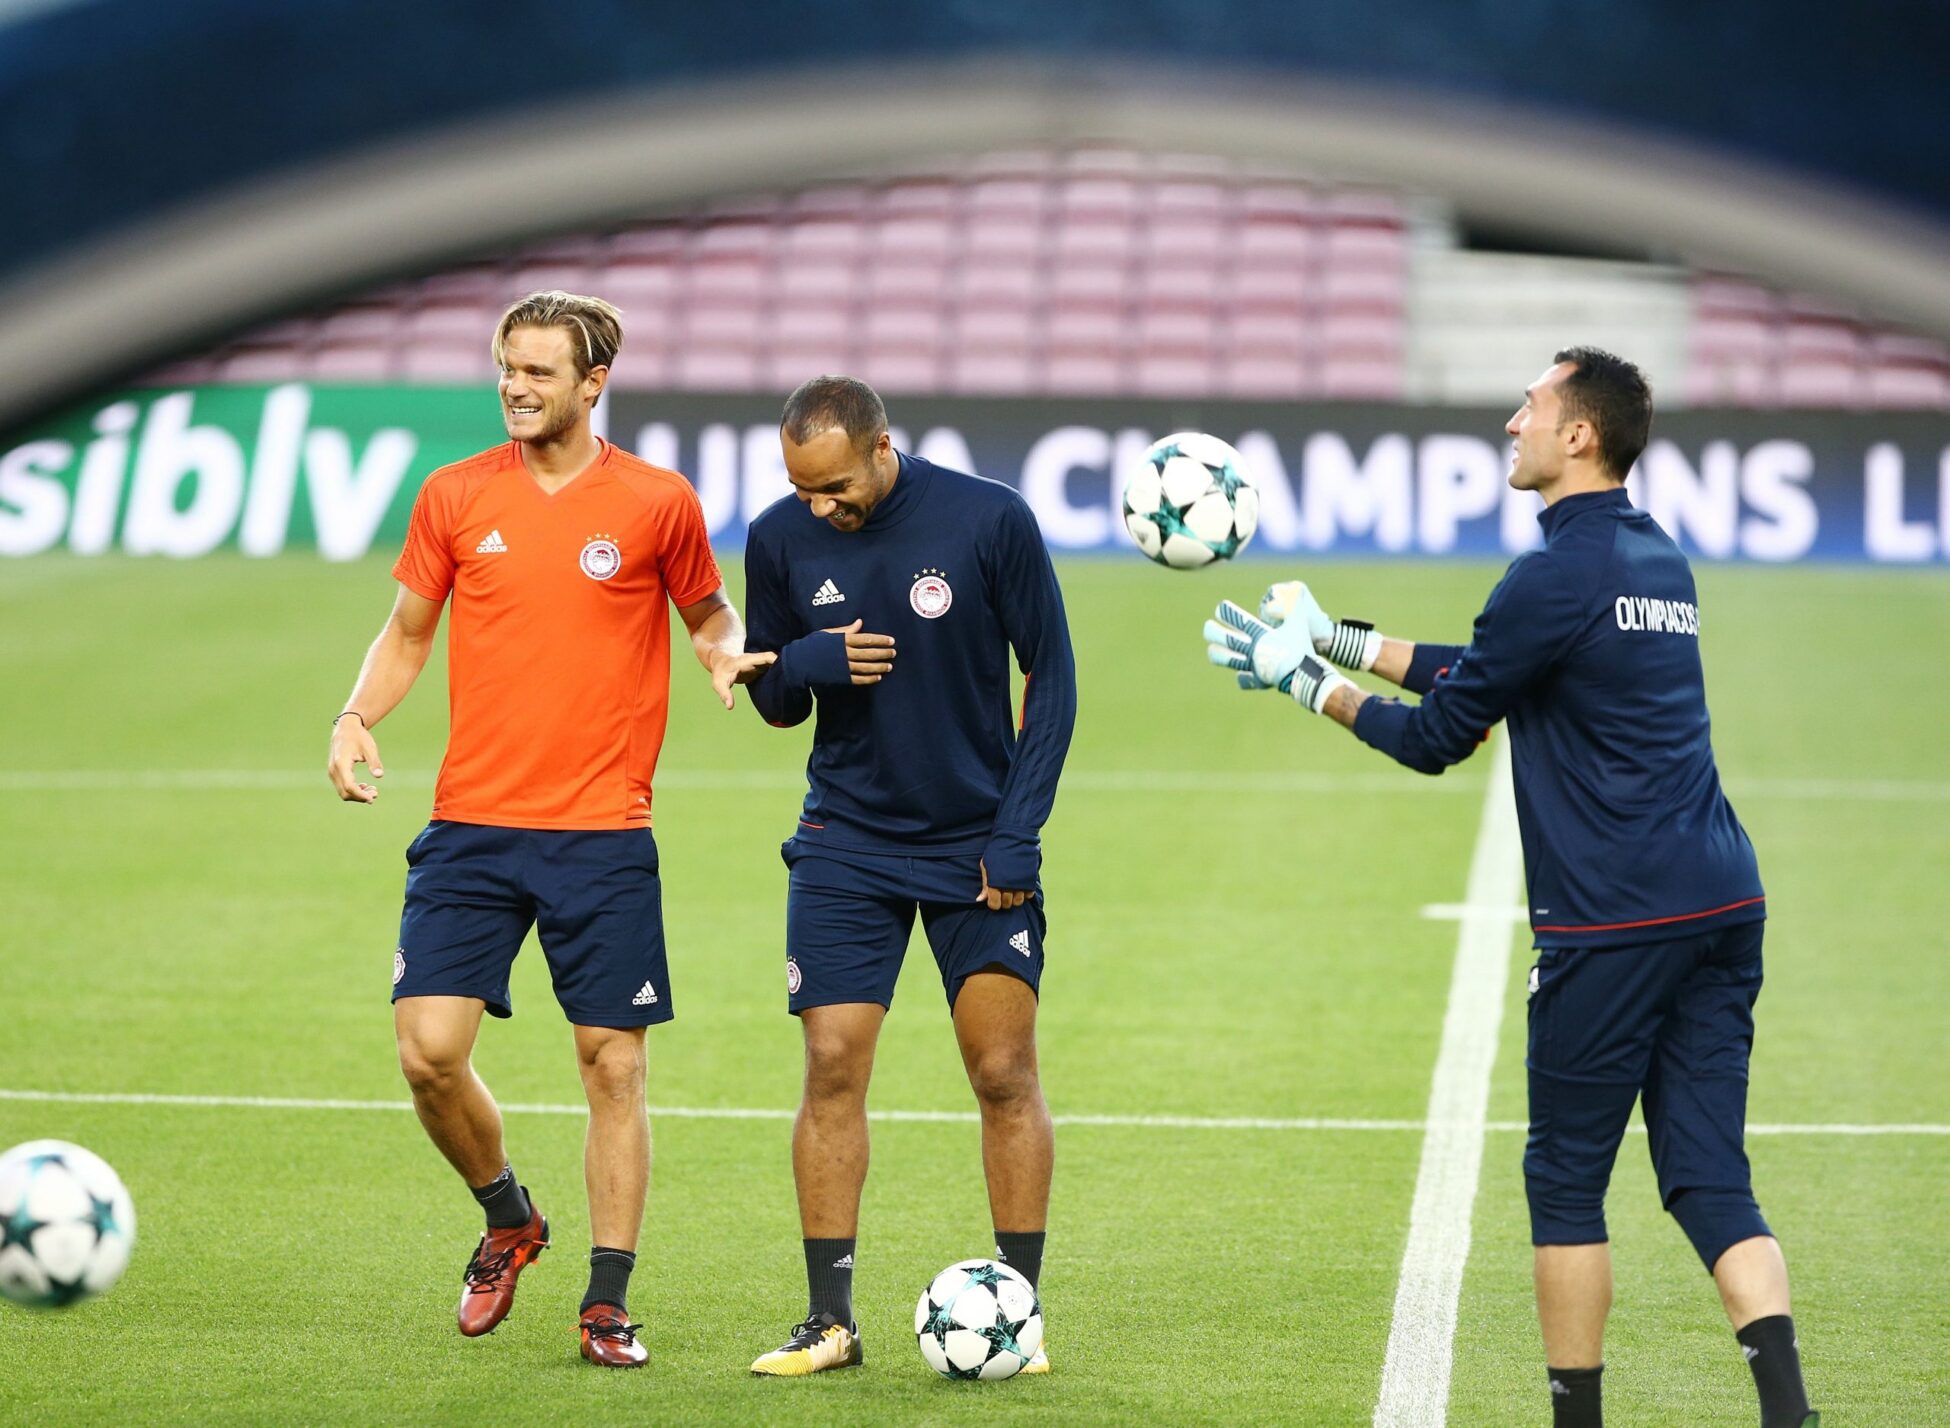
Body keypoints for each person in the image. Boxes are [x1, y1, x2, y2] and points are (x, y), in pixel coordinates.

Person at [1201, 348, 1817, 1428]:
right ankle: (1787, 1410)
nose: (1510, 423)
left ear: (1579, 434)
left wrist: (1306, 681)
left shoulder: (1553, 573)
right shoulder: (1656, 555)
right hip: (1724, 901)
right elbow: (1500, 666)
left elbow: (1443, 735)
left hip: (1615, 920)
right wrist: (1339, 636)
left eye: (1529, 406)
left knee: (1566, 1182)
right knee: (1710, 1177)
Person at [326, 291, 772, 1370]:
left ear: (592, 383)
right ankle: (509, 1216)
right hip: (471, 826)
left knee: (612, 1067)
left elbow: (707, 609)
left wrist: (722, 647)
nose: (516, 388)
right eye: (507, 368)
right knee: (429, 1057)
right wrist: (354, 715)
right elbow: (407, 631)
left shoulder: (658, 502)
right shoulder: (455, 493)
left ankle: (607, 1303)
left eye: (538, 372)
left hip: (602, 833)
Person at [739, 376, 1076, 1376]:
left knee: (1002, 1071)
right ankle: (829, 1322)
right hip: (846, 841)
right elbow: (773, 698)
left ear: (883, 449)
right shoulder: (777, 538)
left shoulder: (989, 519)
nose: (819, 508)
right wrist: (807, 661)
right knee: (832, 1064)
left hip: (978, 847)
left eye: (836, 487)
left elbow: (1051, 677)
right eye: (802, 489)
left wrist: (1019, 832)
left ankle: (1020, 1315)